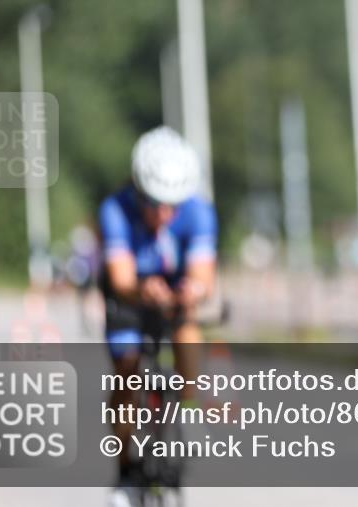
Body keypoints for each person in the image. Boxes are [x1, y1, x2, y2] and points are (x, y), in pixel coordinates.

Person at [99, 126, 218, 507]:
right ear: (137, 190)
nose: (164, 214)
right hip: (130, 295)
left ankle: (188, 401)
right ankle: (126, 471)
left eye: (174, 205)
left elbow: (203, 276)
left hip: (174, 294)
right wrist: (142, 290)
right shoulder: (115, 209)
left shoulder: (199, 212)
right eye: (153, 203)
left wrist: (191, 291)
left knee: (188, 320)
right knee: (127, 372)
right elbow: (120, 277)